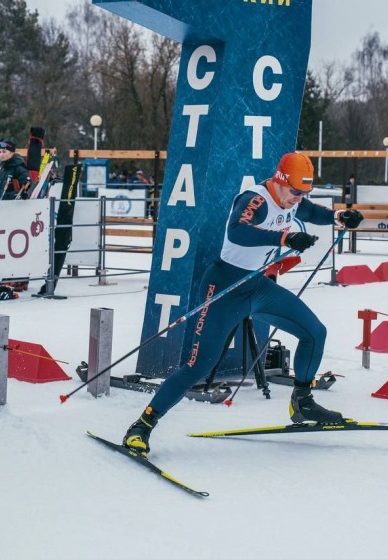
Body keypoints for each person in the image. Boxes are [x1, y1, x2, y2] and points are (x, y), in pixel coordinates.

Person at [122, 152, 365, 455]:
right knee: (199, 366)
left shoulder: (293, 198)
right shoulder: (256, 199)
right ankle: (142, 426)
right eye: (295, 192)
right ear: (280, 180)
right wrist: (285, 239)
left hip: (257, 287)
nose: (299, 199)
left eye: (305, 193)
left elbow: (311, 212)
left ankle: (302, 403)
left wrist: (338, 217)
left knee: (315, 332)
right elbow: (237, 230)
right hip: (224, 287)